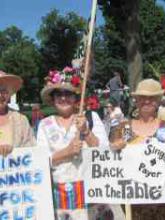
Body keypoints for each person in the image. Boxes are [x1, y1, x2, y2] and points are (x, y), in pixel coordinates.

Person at [110, 79, 165, 220]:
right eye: (142, 98)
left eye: (151, 98)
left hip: (164, 199)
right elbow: (110, 162)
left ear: (158, 100)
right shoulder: (124, 128)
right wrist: (114, 148)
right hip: (133, 200)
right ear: (136, 100)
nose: (147, 101)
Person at [37, 68, 109, 220]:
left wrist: (87, 132)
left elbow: (104, 153)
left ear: (76, 98)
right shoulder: (44, 124)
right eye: (59, 94)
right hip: (59, 198)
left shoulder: (90, 118)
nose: (63, 98)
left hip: (91, 196)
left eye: (68, 94)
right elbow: (41, 162)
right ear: (53, 98)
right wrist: (67, 152)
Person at [0, 70, 35, 155]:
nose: (0, 95)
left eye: (3, 91)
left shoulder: (21, 120)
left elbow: (32, 151)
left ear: (9, 94)